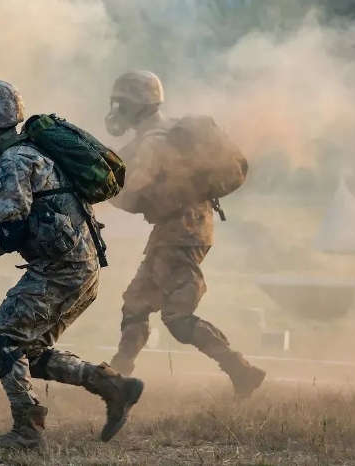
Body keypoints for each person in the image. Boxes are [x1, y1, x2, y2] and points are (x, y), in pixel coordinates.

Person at [0, 79, 144, 452]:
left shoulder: (12, 162)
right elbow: (19, 221)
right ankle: (114, 386)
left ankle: (28, 433)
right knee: (30, 353)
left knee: (0, 342)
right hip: (78, 267)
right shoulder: (23, 154)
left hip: (62, 270)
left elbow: (10, 234)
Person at [103, 70, 266, 398]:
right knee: (136, 302)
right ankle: (118, 376)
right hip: (179, 228)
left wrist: (102, 191)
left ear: (138, 104)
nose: (117, 110)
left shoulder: (154, 142)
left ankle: (241, 370)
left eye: (122, 103)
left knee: (177, 318)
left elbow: (134, 193)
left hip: (182, 231)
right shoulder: (158, 133)